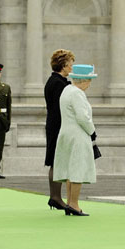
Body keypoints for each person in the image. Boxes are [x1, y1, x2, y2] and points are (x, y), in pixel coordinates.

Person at [53, 64, 98, 216]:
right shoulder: (78, 93)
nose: (90, 84)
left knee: (69, 169)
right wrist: (92, 131)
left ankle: (70, 203)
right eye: (89, 80)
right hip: (78, 135)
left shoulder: (67, 90)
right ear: (83, 80)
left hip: (66, 133)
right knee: (77, 169)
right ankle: (74, 204)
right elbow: (82, 117)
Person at [44, 49, 75, 211]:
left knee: (56, 160)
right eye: (70, 64)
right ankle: (55, 197)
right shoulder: (58, 83)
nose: (71, 67)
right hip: (58, 126)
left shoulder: (56, 81)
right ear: (63, 65)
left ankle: (55, 197)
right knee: (56, 160)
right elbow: (61, 108)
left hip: (55, 124)